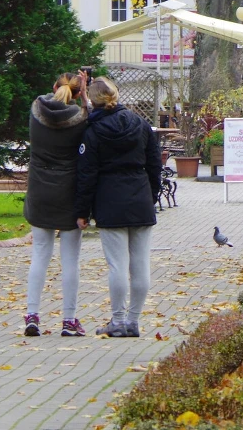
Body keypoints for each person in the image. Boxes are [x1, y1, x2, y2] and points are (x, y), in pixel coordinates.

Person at [75, 78, 162, 337]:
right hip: (140, 198)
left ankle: (117, 320)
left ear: (93, 100)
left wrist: (83, 210)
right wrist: (152, 195)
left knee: (117, 266)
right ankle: (134, 320)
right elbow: (154, 163)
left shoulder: (92, 132)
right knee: (141, 265)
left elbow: (86, 174)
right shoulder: (140, 124)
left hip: (109, 199)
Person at [23, 72, 91, 337]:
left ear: (53, 87)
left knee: (40, 254)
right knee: (70, 260)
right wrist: (86, 97)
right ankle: (69, 320)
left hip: (40, 190)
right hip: (69, 193)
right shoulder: (81, 118)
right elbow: (94, 120)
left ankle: (32, 315)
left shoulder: (35, 110)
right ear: (76, 93)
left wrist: (76, 93)